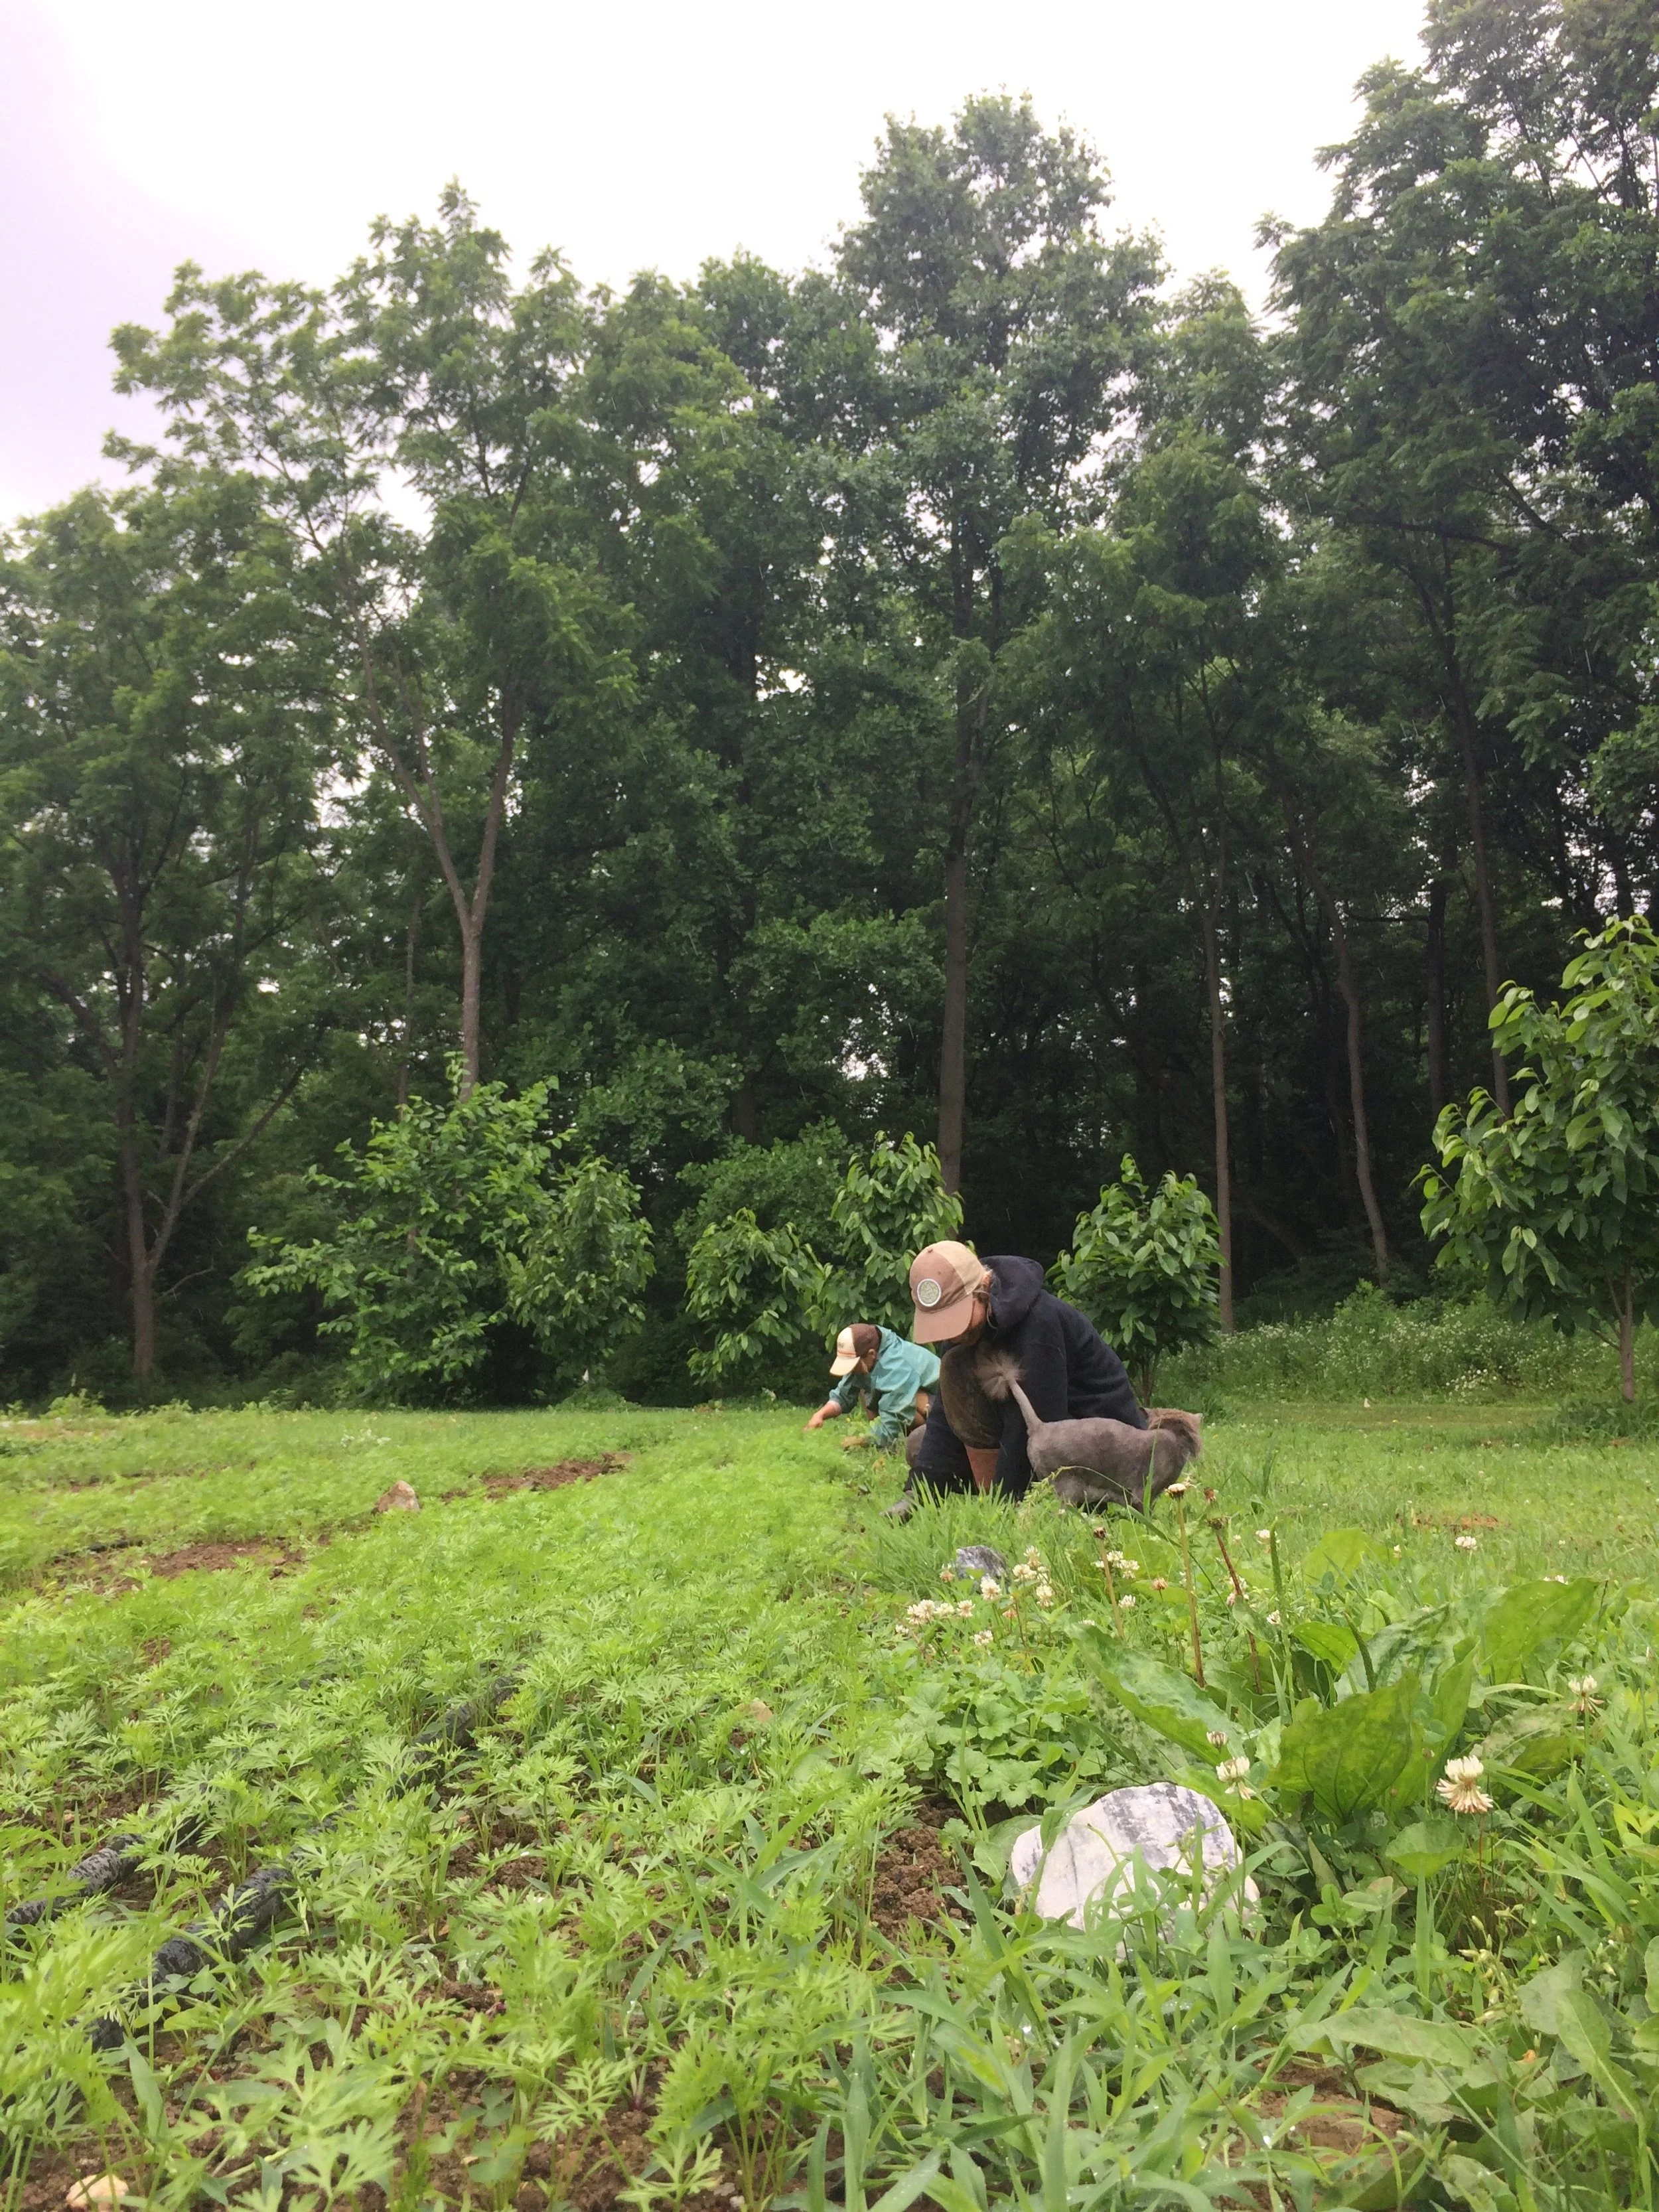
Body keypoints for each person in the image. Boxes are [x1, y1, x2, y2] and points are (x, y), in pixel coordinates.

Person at [894, 1240, 1143, 1513]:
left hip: (1101, 1449)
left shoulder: (1039, 1324)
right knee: (919, 1444)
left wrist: (1005, 1508)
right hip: (1037, 1431)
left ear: (983, 1288)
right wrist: (917, 1493)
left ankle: (1053, 1506)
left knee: (1016, 1486)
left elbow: (1036, 1423)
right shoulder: (966, 1332)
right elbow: (946, 1412)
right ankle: (990, 1496)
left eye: (956, 1318)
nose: (952, 1335)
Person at [804, 1323, 940, 1453]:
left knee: (913, 1398)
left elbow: (894, 1420)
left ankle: (920, 1443)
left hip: (941, 1410)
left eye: (853, 1365)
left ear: (871, 1354)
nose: (851, 1371)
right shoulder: (866, 1357)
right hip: (900, 1403)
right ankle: (884, 1444)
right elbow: (843, 1395)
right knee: (865, 1383)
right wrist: (820, 1415)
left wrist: (860, 1441)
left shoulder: (898, 1367)